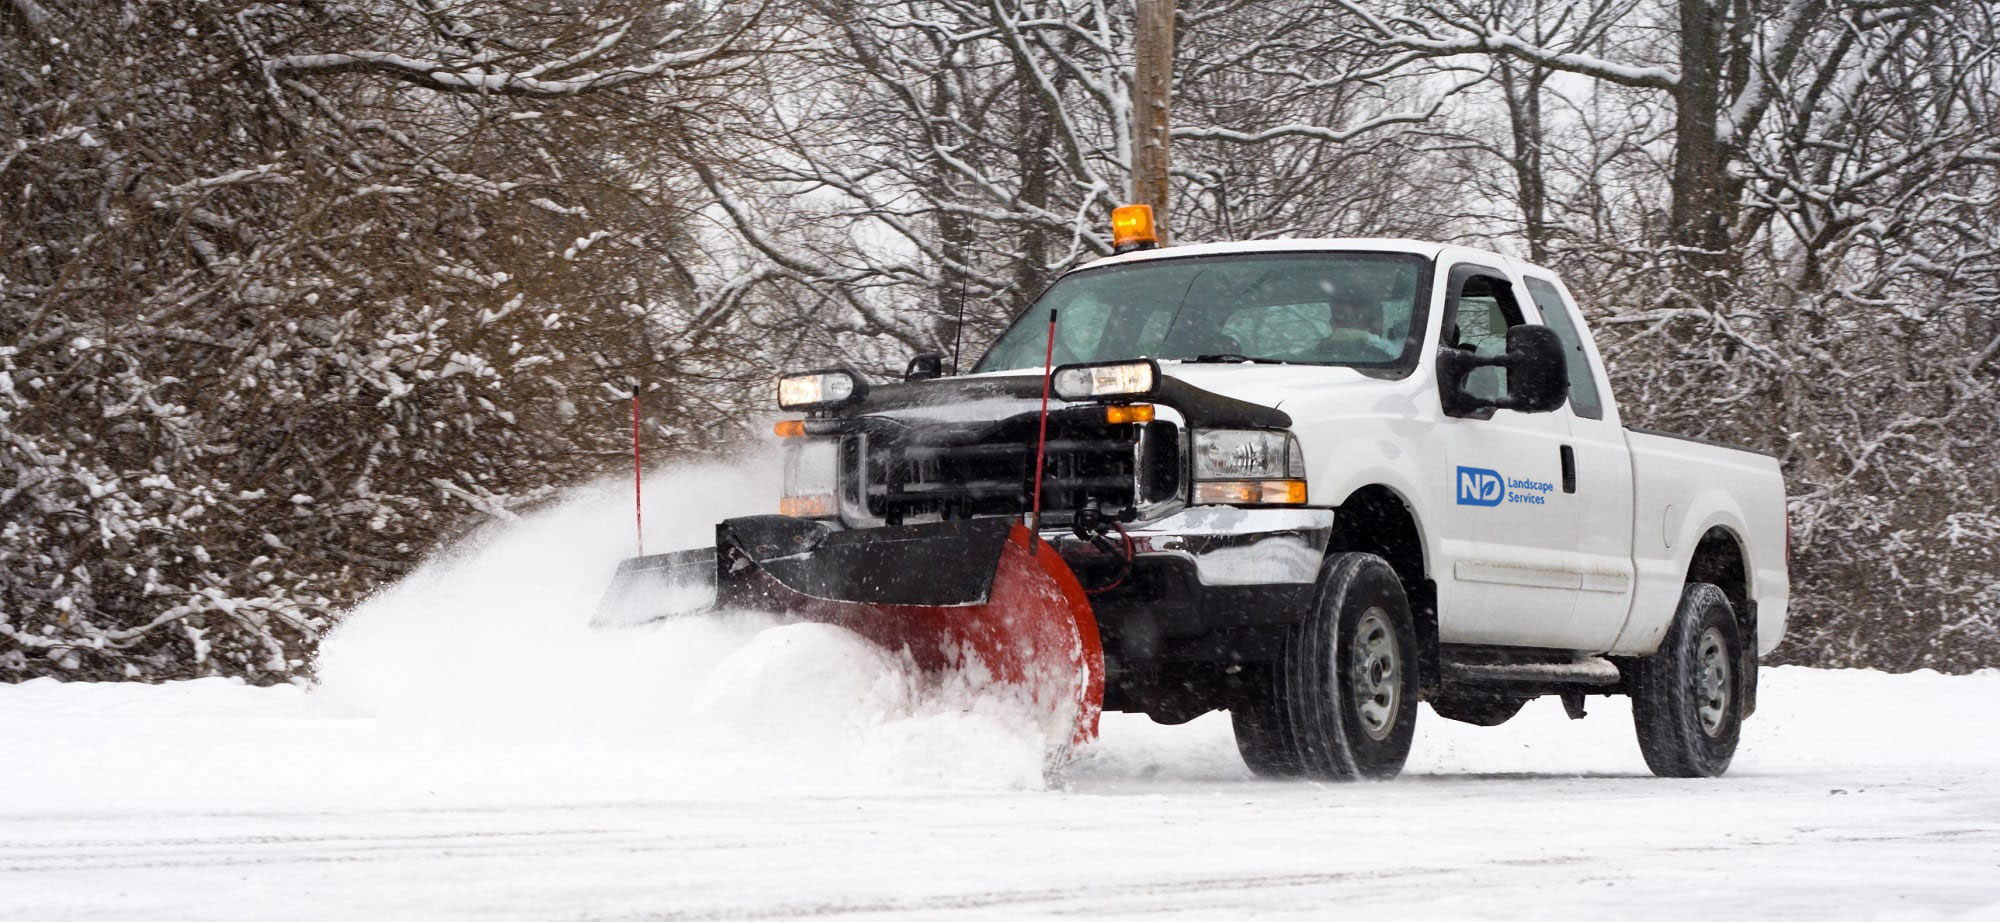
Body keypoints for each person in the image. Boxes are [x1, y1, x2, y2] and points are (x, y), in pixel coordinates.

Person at [1320, 287, 1400, 361]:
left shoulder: (1317, 355)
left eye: (1339, 318)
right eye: (1337, 318)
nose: (1331, 323)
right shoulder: (1392, 355)